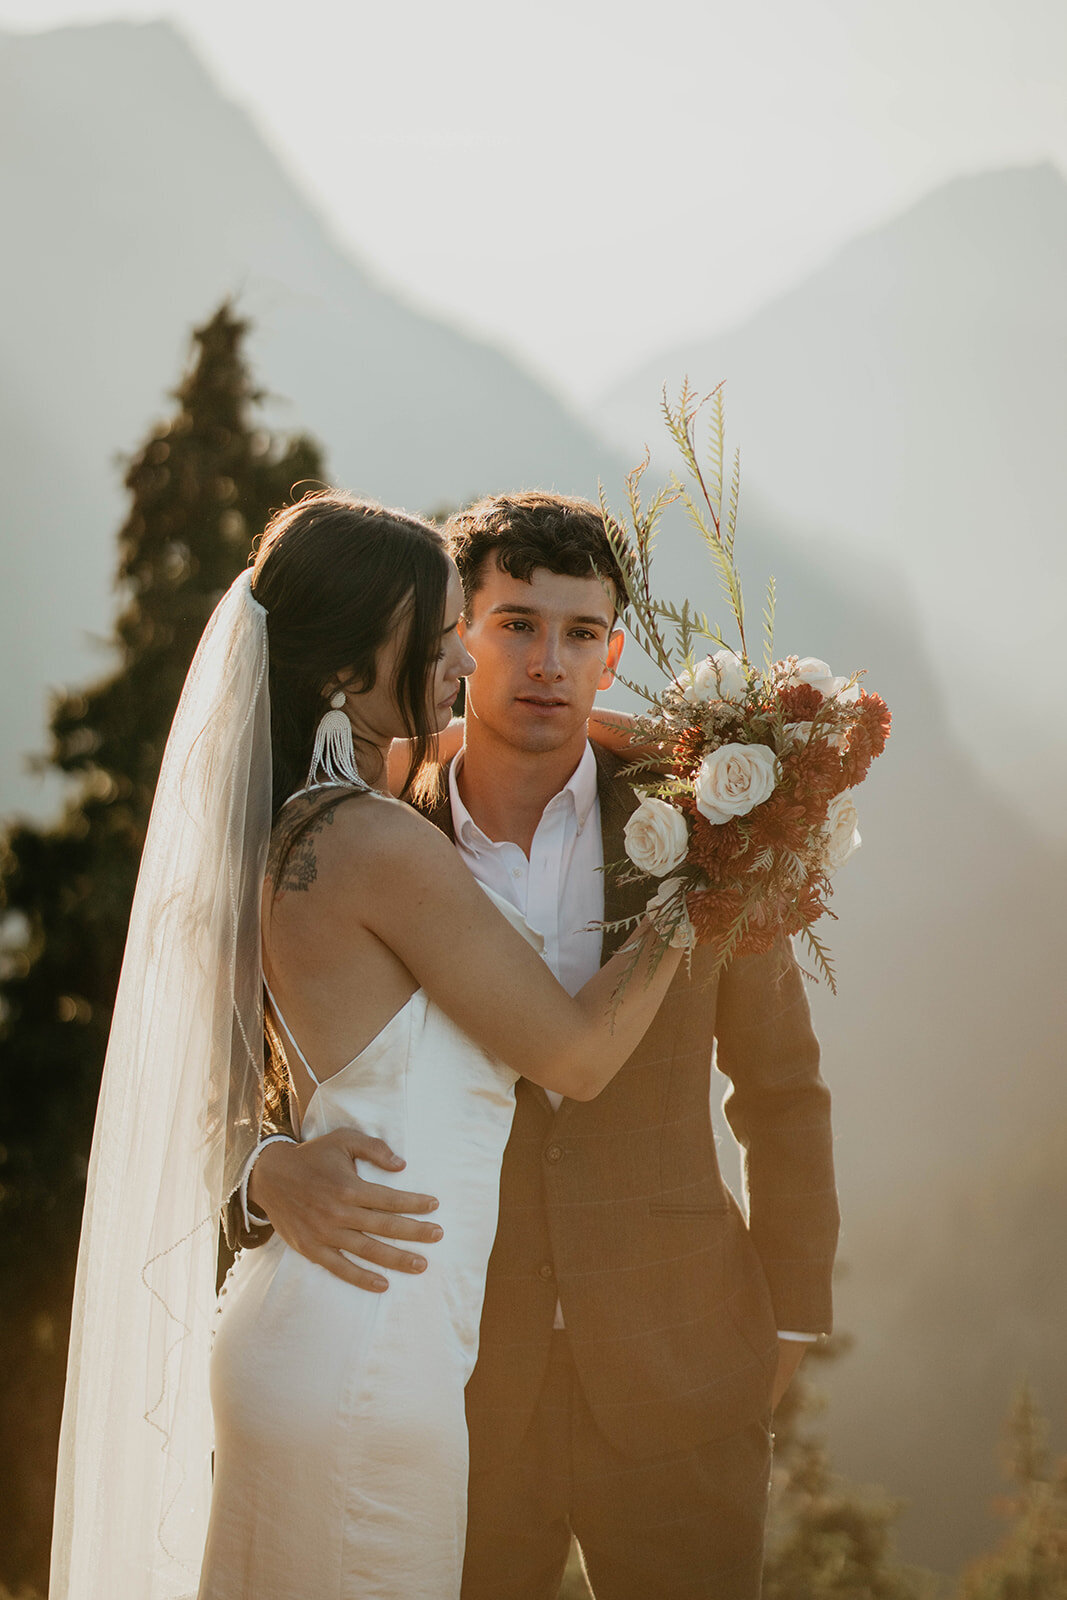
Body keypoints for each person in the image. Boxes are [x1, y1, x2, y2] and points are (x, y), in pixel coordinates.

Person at [49, 494, 686, 1600]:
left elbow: (218, 1061)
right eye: (438, 635)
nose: (458, 660)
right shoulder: (377, 841)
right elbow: (575, 1057)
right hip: (368, 1367)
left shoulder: (292, 826)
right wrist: (704, 879)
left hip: (332, 1337)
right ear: (349, 662)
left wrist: (262, 1163)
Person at [238, 491, 840, 1600]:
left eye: (577, 632)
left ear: (612, 652)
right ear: (456, 636)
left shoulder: (711, 813)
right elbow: (261, 1049)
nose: (546, 661)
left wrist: (789, 1320)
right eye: (515, 623)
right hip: (453, 1385)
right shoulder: (367, 827)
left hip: (684, 1371)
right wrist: (265, 1168)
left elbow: (781, 1088)